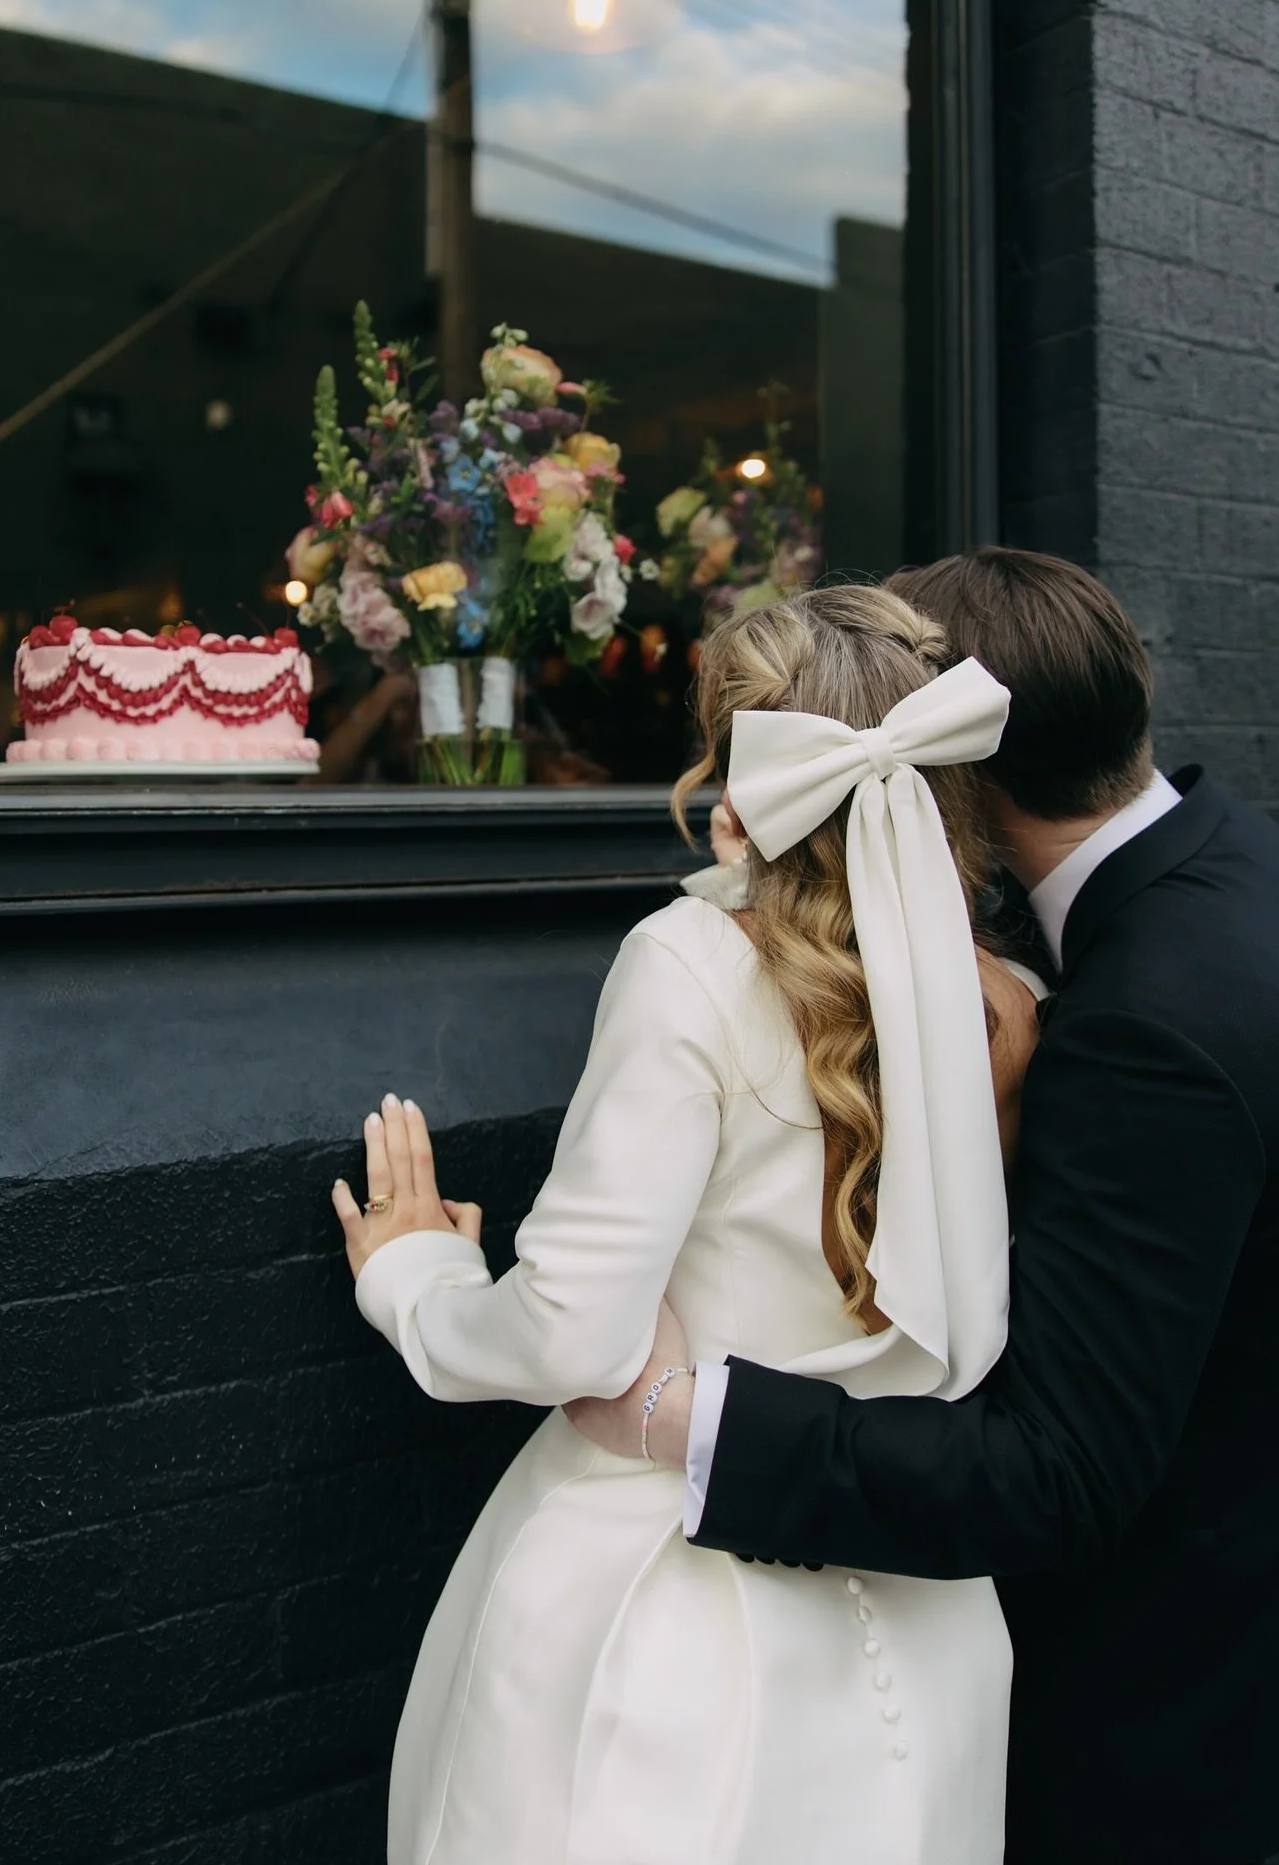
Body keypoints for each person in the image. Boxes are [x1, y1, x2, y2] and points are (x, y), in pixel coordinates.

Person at [569, 548, 1279, 1865]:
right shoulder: (1231, 855)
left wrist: (691, 1419)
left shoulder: (1149, 1026)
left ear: (952, 768)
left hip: (1168, 1730)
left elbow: (1058, 1477)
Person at [333, 586, 1043, 1864]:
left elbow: (571, 1340)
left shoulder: (690, 963)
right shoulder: (1000, 997)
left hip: (672, 1627)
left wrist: (419, 1280)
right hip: (924, 1631)